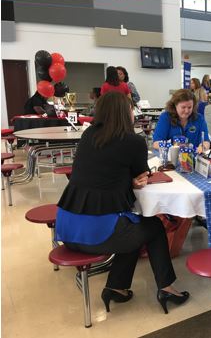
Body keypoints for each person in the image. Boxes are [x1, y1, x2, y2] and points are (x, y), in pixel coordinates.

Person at [56, 93, 190, 314]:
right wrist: (135, 179)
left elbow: (104, 172)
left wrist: (128, 179)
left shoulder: (89, 135)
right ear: (125, 112)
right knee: (153, 227)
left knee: (132, 227)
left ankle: (116, 287)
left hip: (67, 228)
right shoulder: (133, 141)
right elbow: (141, 174)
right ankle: (166, 288)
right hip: (97, 233)